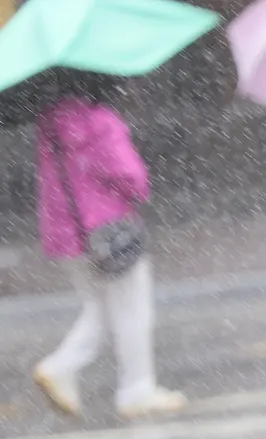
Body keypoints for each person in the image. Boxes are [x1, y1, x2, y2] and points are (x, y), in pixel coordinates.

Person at [32, 83, 187, 419]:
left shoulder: (50, 123)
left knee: (100, 309)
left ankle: (61, 368)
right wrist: (139, 190)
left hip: (69, 235)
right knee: (132, 308)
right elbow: (130, 176)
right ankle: (137, 389)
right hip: (109, 230)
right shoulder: (99, 120)